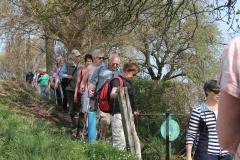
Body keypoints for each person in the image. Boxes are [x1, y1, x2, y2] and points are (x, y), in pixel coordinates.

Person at [186, 80, 232, 160]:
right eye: (216, 91)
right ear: (207, 91)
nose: (220, 94)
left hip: (226, 154)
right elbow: (191, 134)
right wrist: (188, 156)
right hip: (206, 154)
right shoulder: (198, 111)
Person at [88, 53, 121, 140]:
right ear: (108, 61)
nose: (115, 65)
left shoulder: (120, 73)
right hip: (100, 99)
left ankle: (102, 139)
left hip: (113, 102)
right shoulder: (100, 69)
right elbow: (93, 81)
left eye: (117, 64)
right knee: (102, 120)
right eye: (113, 63)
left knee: (107, 123)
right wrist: (91, 89)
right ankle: (95, 139)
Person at [217, 37, 240, 160]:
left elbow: (227, 138)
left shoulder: (237, 48)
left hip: (226, 152)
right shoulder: (199, 111)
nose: (217, 93)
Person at [109, 62, 140, 150]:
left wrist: (135, 110)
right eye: (133, 74)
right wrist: (119, 92)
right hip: (118, 114)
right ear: (127, 71)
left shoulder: (129, 83)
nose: (134, 77)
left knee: (134, 141)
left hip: (128, 115)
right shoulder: (117, 80)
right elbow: (112, 94)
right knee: (120, 142)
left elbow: (131, 100)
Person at [59, 49, 81, 128]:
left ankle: (79, 122)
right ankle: (73, 122)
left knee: (78, 106)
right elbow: (60, 73)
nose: (78, 57)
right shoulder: (67, 64)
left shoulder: (80, 65)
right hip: (70, 88)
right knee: (71, 106)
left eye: (79, 56)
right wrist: (67, 76)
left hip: (78, 89)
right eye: (77, 56)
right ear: (73, 56)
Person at [74, 54, 93, 138]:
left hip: (92, 93)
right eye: (87, 61)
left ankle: (89, 132)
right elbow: (78, 82)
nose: (89, 62)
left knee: (91, 112)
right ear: (85, 62)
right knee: (82, 112)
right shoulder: (81, 70)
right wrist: (75, 94)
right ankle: (79, 133)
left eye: (90, 61)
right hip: (83, 92)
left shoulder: (95, 70)